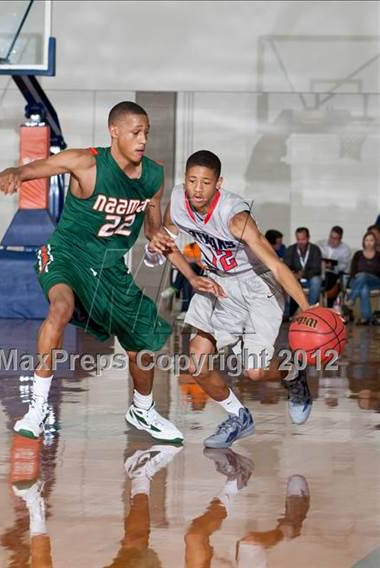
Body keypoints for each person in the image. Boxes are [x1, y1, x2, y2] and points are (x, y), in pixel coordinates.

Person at [0, 101, 183, 444]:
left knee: (141, 346)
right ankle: (37, 408)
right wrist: (15, 173)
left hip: (109, 267)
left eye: (147, 133)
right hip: (66, 254)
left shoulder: (154, 176)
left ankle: (143, 409)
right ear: (115, 132)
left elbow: (151, 226)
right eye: (135, 132)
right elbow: (41, 167)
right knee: (60, 308)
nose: (143, 139)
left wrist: (157, 236)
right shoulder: (86, 162)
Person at [146, 150, 314, 449]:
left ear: (218, 183)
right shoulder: (179, 201)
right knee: (197, 365)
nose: (197, 189)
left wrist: (306, 307)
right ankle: (239, 417)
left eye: (206, 182)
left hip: (256, 284)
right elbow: (166, 239)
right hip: (217, 282)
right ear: (184, 180)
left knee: (255, 371)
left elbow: (276, 265)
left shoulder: (236, 217)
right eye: (192, 181)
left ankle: (293, 373)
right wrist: (191, 276)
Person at [284, 227, 322, 317]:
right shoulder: (291, 249)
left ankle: (310, 310)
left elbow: (317, 269)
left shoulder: (315, 249)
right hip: (295, 279)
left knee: (316, 281)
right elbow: (286, 265)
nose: (300, 242)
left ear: (308, 238)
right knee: (284, 281)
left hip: (310, 279)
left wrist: (302, 274)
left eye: (303, 239)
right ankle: (287, 313)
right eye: (298, 239)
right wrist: (293, 274)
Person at [345, 231, 380, 325]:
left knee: (363, 275)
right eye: (367, 240)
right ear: (363, 241)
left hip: (375, 282)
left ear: (375, 242)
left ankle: (351, 299)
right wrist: (356, 279)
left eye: (371, 240)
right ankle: (366, 317)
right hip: (357, 281)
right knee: (364, 288)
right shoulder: (358, 254)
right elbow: (352, 272)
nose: (369, 242)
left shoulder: (379, 255)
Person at [317, 225, 351, 307]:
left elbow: (343, 266)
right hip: (319, 272)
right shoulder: (320, 244)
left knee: (330, 278)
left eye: (335, 238)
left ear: (340, 239)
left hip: (335, 274)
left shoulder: (345, 249)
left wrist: (332, 266)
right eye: (331, 237)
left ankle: (328, 306)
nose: (332, 240)